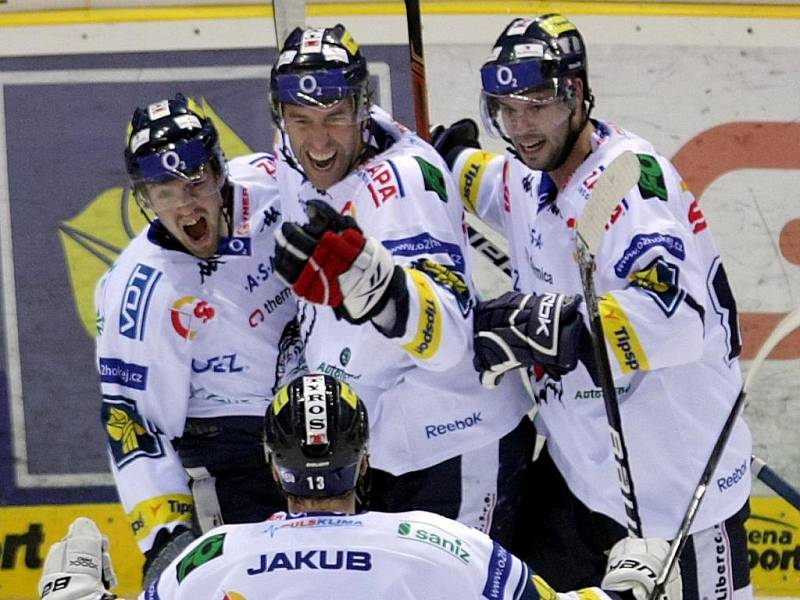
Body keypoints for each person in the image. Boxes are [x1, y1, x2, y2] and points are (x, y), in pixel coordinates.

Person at [431, 13, 752, 599]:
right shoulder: (532, 175)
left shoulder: (625, 184)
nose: (522, 127)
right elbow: (490, 181)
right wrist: (443, 157)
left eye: (537, 105)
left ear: (576, 95)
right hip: (581, 482)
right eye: (506, 108)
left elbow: (678, 322)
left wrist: (563, 327)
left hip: (678, 492)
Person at [38, 373, 682, 600]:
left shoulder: (209, 560)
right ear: (365, 459)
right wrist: (628, 585)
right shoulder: (442, 544)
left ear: (271, 464)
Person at [268, 23, 535, 546]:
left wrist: (383, 293)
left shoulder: (403, 187)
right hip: (385, 453)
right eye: (300, 120)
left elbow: (452, 333)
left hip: (455, 448)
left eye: (334, 119)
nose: (318, 143)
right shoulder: (290, 151)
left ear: (362, 108)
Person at [94, 93, 303, 585]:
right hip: (237, 467)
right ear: (144, 197)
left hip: (331, 430)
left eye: (195, 183)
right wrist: (166, 537)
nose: (185, 204)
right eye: (164, 191)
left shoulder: (274, 185)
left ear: (219, 171)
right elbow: (131, 420)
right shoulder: (137, 292)